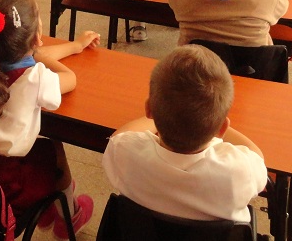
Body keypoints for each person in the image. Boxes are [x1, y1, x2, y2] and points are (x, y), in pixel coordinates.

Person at [0, 0, 99, 238]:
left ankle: (50, 210)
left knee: (36, 151)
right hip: (3, 195)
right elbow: (70, 78)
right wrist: (42, 53)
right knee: (54, 149)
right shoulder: (34, 79)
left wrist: (73, 46)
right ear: (36, 36)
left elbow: (34, 58)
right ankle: (70, 217)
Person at [103, 45, 267, 222]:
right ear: (222, 129)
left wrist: (159, 112)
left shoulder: (125, 152)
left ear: (149, 110)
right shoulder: (240, 172)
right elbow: (257, 155)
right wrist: (214, 120)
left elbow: (119, 136)